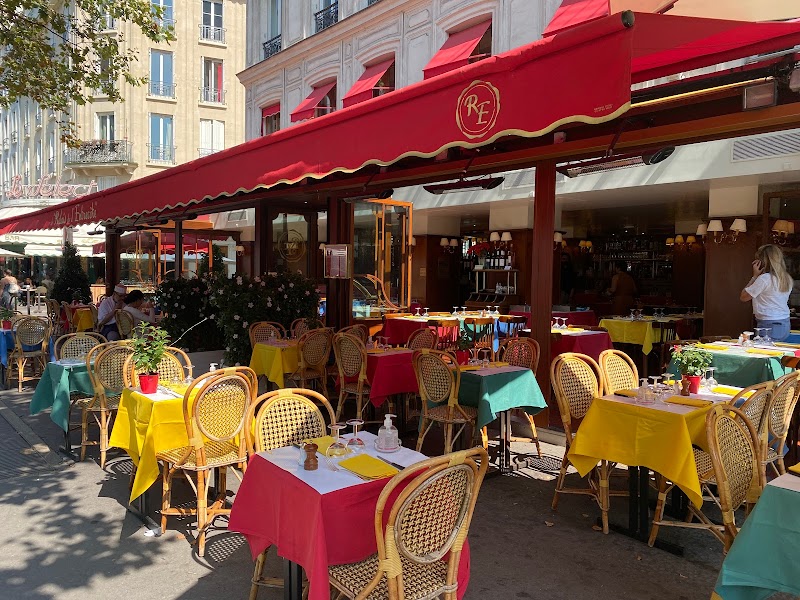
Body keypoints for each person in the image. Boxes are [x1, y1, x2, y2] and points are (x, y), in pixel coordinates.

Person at [740, 244, 793, 341]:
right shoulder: (786, 278)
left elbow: (744, 296)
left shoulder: (765, 279)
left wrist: (754, 277)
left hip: (768, 323)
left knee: (764, 353)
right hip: (784, 322)